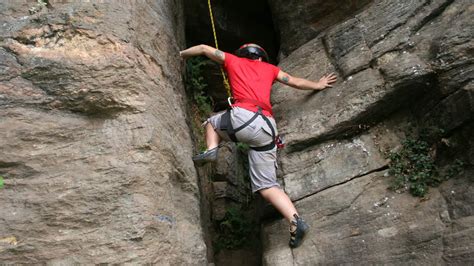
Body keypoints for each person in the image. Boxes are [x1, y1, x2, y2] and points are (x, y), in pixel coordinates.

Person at [179, 43, 337, 248]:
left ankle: (211, 150)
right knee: (268, 186)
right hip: (268, 128)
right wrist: (318, 84)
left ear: (243, 55)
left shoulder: (234, 60)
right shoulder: (270, 69)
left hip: (243, 117)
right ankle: (295, 221)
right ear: (261, 57)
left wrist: (180, 55)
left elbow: (203, 48)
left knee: (211, 123)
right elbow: (295, 82)